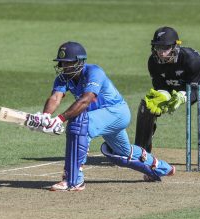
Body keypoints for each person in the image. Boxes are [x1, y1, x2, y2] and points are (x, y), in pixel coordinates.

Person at [26, 41, 175, 191]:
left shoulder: (94, 72)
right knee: (123, 152)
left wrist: (60, 119)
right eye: (62, 63)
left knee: (78, 124)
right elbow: (55, 98)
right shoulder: (63, 78)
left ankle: (73, 179)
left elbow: (86, 100)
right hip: (102, 117)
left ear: (79, 62)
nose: (65, 67)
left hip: (117, 112)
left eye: (68, 63)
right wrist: (46, 116)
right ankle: (161, 168)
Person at [135, 26, 200, 168]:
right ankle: (141, 153)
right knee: (147, 108)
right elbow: (160, 86)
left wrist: (182, 97)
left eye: (165, 48)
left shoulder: (191, 59)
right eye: (158, 47)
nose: (161, 53)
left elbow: (195, 89)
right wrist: (164, 98)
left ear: (175, 46)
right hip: (175, 87)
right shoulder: (153, 62)